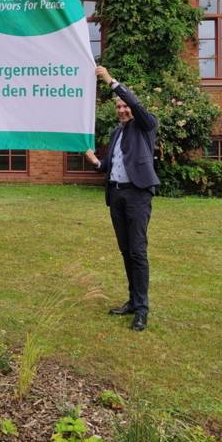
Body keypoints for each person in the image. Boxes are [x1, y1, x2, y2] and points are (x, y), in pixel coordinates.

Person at [85, 65, 159, 331]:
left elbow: (136, 106)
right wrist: (96, 162)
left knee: (138, 251)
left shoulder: (145, 125)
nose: (122, 110)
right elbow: (112, 164)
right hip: (116, 195)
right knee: (126, 250)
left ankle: (142, 309)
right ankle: (131, 300)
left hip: (137, 194)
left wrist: (109, 81)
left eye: (125, 106)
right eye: (118, 107)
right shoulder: (116, 133)